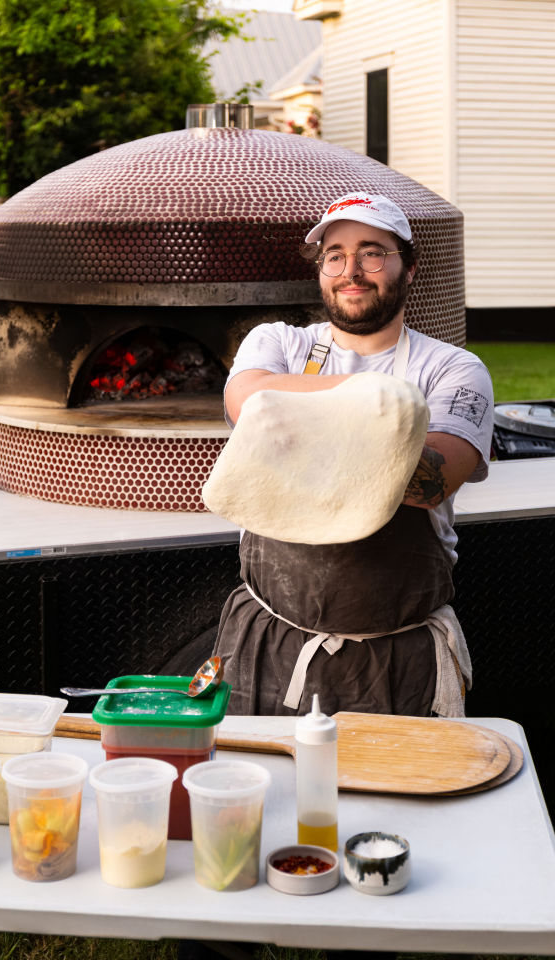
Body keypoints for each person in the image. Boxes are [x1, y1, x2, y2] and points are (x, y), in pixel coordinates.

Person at [212, 193, 494, 718]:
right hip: (268, 641)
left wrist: (294, 419)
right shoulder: (277, 341)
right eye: (335, 254)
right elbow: (248, 401)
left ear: (408, 268)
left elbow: (432, 482)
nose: (352, 271)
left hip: (396, 658)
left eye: (372, 252)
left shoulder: (454, 369)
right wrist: (386, 410)